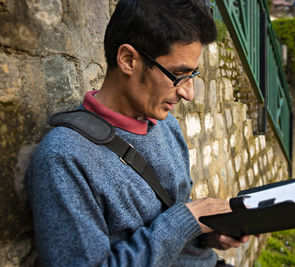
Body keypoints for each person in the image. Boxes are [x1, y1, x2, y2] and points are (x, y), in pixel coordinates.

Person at [25, 0, 250, 266]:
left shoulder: (166, 125)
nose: (188, 93)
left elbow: (173, 221)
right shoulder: (63, 158)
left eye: (193, 75)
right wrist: (185, 222)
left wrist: (206, 234)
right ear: (128, 59)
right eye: (178, 74)